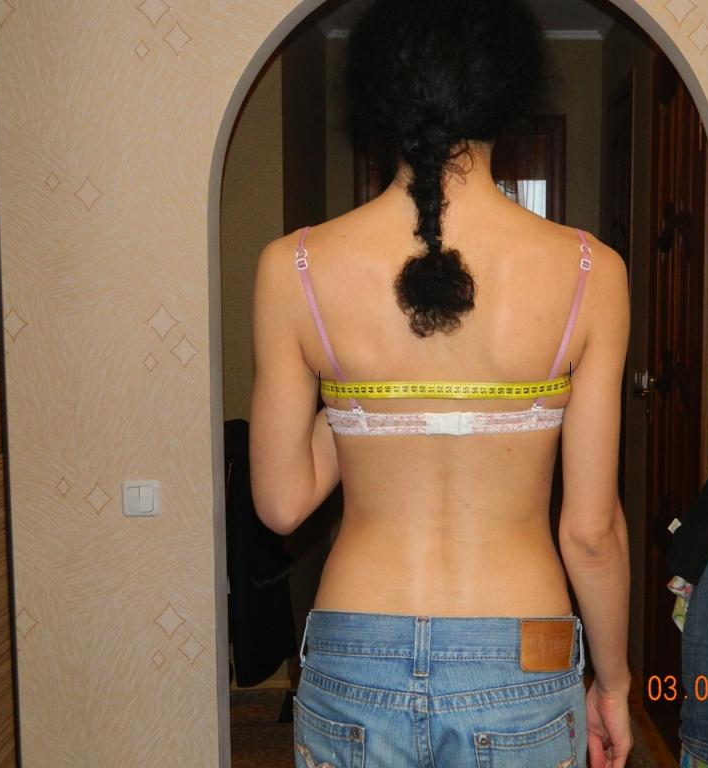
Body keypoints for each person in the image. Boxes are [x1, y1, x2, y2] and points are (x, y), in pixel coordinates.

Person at [248, 0, 633, 765]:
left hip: (353, 649)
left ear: (378, 93)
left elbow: (283, 504)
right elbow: (591, 535)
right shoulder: (593, 272)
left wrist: (357, 393)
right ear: (509, 90)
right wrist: (615, 683)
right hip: (525, 648)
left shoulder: (293, 268)